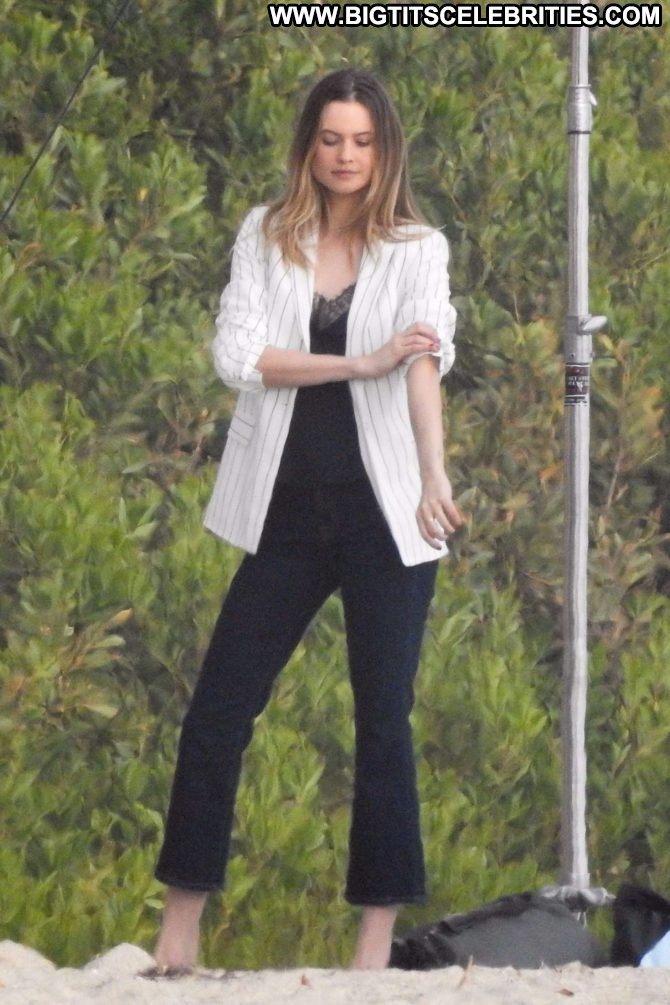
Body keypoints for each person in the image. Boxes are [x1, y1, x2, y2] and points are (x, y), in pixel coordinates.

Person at [150, 67, 463, 975]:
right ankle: (178, 931)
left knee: (384, 722)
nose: (345, 157)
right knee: (218, 709)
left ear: (384, 149)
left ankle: (372, 947)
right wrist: (357, 361)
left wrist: (435, 476)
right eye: (331, 139)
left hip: (387, 513)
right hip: (284, 509)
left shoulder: (418, 247)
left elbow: (422, 364)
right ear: (309, 145)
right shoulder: (266, 232)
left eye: (361, 141)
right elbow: (238, 356)